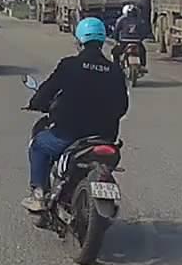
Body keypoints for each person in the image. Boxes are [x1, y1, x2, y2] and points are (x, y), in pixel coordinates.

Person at [21, 17, 130, 213]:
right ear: (102, 39)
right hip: (105, 138)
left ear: (79, 40)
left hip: (68, 135)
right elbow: (122, 107)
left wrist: (35, 103)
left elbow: (47, 90)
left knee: (38, 146)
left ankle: (39, 195)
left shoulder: (69, 65)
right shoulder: (115, 71)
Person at [112, 4, 149, 71]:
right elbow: (145, 31)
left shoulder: (121, 19)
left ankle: (115, 67)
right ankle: (142, 66)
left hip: (124, 41)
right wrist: (141, 39)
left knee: (114, 52)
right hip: (137, 42)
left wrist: (116, 39)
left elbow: (116, 31)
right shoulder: (140, 20)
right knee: (143, 52)